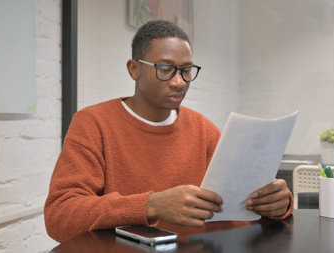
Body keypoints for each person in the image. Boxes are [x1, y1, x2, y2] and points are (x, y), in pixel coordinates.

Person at [44, 20, 294, 243]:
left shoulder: (203, 129)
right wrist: (151, 205)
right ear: (134, 69)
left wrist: (279, 203)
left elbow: (236, 209)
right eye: (165, 69)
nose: (179, 82)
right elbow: (60, 216)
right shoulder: (93, 123)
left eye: (186, 70)